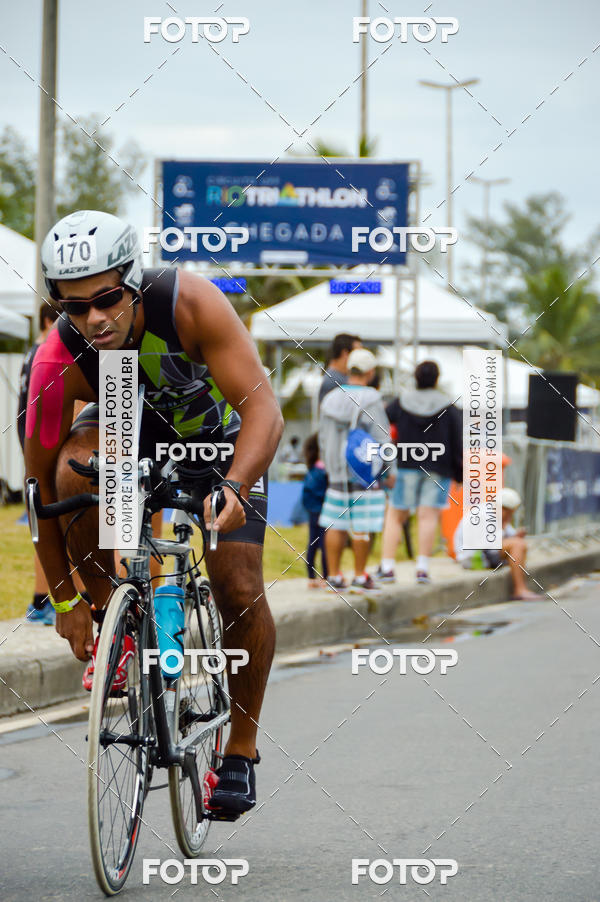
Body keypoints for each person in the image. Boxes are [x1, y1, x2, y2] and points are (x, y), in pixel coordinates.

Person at [25, 209, 283, 816]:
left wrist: (238, 485)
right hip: (123, 434)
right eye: (72, 307)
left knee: (237, 584)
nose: (92, 318)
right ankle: (116, 612)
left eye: (107, 299)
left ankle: (241, 751)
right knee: (72, 471)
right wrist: (66, 600)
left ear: (134, 280)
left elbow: (264, 411)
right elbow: (39, 492)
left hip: (216, 445)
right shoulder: (54, 359)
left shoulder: (190, 302)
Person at [376, 360, 462, 585]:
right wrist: (459, 474)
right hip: (438, 467)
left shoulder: (402, 402)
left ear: (415, 377)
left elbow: (382, 421)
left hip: (406, 465)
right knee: (428, 516)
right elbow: (457, 442)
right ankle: (422, 568)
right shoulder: (448, 407)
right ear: (436, 378)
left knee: (396, 515)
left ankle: (387, 567)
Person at [318, 348, 392, 592]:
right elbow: (382, 437)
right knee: (362, 523)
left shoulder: (330, 398)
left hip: (335, 470)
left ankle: (334, 576)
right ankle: (360, 575)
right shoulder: (371, 398)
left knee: (335, 522)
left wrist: (329, 463)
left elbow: (322, 436)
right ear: (370, 372)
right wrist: (389, 469)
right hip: (362, 469)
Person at [17, 303, 60, 624]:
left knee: (42, 527)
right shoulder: (46, 353)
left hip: (31, 446)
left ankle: (40, 599)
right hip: (43, 450)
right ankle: (44, 600)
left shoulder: (32, 354)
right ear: (49, 320)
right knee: (53, 528)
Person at [454, 487, 543, 600]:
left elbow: (507, 537)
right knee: (518, 545)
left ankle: (520, 587)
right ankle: (520, 589)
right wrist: (506, 532)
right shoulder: (482, 515)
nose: (509, 516)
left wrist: (513, 535)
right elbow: (488, 545)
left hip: (482, 555)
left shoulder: (496, 513)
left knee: (519, 544)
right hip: (472, 558)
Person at [301, 433, 328, 588]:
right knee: (324, 543)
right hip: (321, 510)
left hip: (313, 510)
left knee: (313, 542)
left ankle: (311, 577)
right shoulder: (322, 470)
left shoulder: (312, 470)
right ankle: (326, 576)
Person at [318, 333, 362, 404]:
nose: (361, 357)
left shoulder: (340, 378)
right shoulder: (332, 382)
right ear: (345, 353)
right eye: (357, 352)